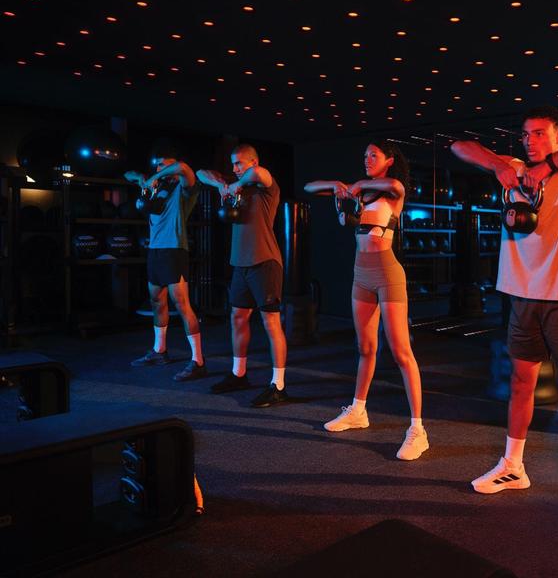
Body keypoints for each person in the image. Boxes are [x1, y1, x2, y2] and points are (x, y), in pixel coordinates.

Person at [451, 106, 558, 535]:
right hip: (522, 299)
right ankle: (513, 466)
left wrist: (548, 167)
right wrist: (499, 168)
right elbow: (460, 146)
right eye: (526, 135)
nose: (530, 141)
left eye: (540, 134)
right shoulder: (514, 169)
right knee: (521, 384)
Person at [303, 140, 429, 461]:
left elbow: (394, 184)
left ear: (388, 160)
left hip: (388, 273)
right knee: (366, 348)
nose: (367, 159)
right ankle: (358, 410)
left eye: (373, 155)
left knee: (401, 351)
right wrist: (336, 186)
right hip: (361, 274)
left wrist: (357, 185)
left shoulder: (391, 191)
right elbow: (308, 187)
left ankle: (418, 430)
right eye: (364, 155)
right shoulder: (358, 195)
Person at [196, 144, 288, 408]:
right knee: (237, 318)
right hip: (240, 265)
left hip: (265, 263)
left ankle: (278, 386)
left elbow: (259, 174)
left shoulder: (266, 188)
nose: (235, 169)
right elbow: (202, 173)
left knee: (271, 323)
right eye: (232, 164)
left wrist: (236, 184)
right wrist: (222, 186)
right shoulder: (235, 186)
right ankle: (239, 374)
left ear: (253, 162)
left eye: (239, 163)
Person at [123, 155, 206, 382]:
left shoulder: (183, 187)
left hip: (174, 249)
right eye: (157, 165)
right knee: (157, 301)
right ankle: (160, 352)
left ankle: (198, 361)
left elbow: (185, 167)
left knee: (182, 304)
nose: (158, 168)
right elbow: (127, 174)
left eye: (163, 164)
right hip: (155, 250)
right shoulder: (155, 186)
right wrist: (144, 179)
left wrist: (158, 175)